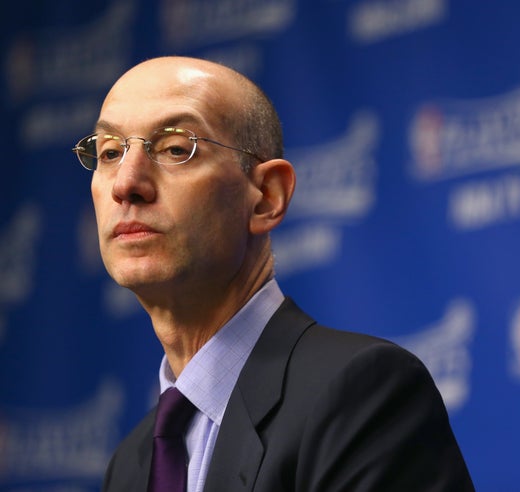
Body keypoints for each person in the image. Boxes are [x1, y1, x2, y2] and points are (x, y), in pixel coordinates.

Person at [74, 56, 475, 491]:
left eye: (176, 148)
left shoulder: (361, 394)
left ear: (267, 196)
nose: (125, 183)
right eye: (110, 152)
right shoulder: (130, 466)